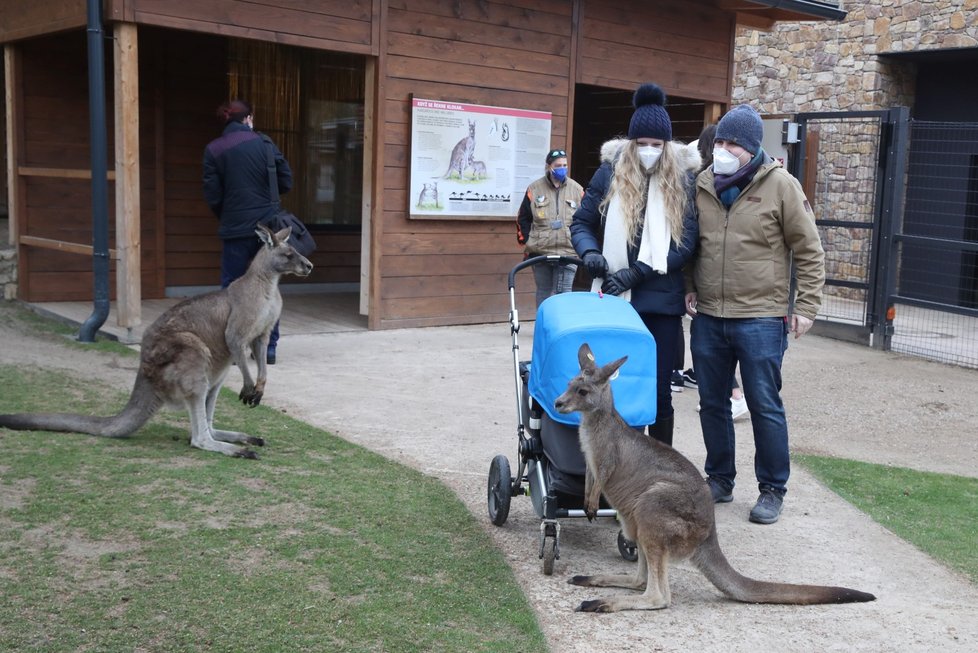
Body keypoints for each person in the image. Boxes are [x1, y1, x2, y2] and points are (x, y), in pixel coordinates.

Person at [685, 104, 825, 524]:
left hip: (762, 317)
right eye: (720, 142)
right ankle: (720, 479)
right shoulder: (702, 184)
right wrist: (690, 287)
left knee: (764, 403)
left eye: (732, 144)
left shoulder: (781, 186)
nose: (723, 150)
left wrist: (806, 308)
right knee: (712, 402)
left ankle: (772, 489)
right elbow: (694, 244)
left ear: (751, 148)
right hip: (709, 315)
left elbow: (809, 250)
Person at [571, 83, 700, 447]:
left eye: (657, 145)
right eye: (642, 143)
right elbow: (581, 222)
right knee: (616, 390)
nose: (648, 151)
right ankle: (621, 465)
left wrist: (640, 270)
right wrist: (590, 253)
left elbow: (686, 242)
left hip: (660, 303)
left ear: (667, 146)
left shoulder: (682, 181)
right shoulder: (609, 173)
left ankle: (660, 464)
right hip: (614, 299)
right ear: (630, 143)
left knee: (657, 392)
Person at [203, 99, 293, 364]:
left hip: (233, 227)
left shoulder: (213, 149)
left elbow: (212, 195)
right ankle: (269, 348)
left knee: (232, 287)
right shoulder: (264, 143)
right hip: (268, 230)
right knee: (269, 286)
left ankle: (231, 348)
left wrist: (228, 215)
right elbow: (286, 180)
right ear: (248, 119)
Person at [673, 123, 749, 421]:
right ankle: (726, 395)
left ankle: (735, 396)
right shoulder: (706, 180)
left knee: (719, 348)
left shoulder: (709, 181)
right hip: (710, 283)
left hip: (718, 286)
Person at [517, 148, 585, 307]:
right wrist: (527, 242)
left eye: (565, 165)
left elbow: (585, 219)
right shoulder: (534, 189)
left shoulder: (577, 190)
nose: (562, 168)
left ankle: (561, 328)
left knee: (564, 292)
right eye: (558, 165)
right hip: (540, 251)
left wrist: (580, 244)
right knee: (544, 291)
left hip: (568, 251)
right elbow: (523, 218)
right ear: (549, 166)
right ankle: (543, 326)